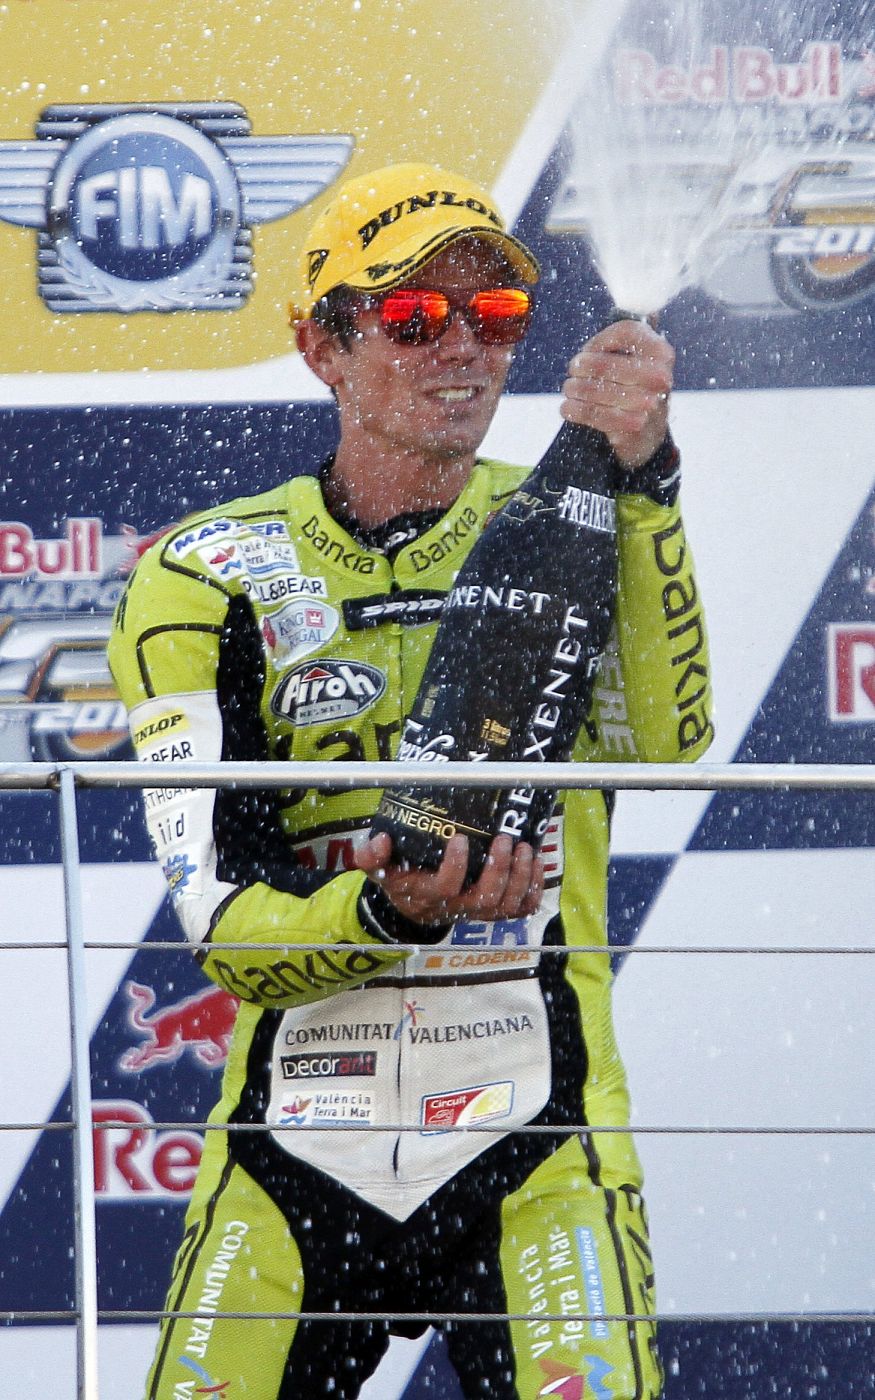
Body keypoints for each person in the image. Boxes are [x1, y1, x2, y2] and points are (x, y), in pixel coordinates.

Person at [108, 161, 713, 1400]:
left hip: (535, 1136)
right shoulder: (203, 573)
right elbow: (217, 920)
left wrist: (642, 480)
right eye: (412, 316)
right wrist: (383, 914)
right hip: (293, 1142)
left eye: (491, 318)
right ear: (320, 347)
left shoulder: (572, 509)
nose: (463, 350)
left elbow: (667, 738)